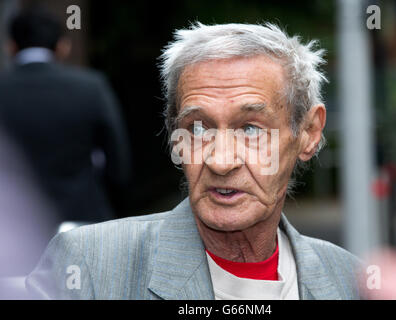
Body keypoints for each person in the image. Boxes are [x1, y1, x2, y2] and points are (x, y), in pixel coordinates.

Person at [26, 22, 362, 300]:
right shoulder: (88, 265)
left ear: (308, 132)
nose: (220, 160)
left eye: (250, 129)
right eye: (198, 128)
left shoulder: (351, 282)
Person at [0, 7, 131, 227]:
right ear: (62, 47)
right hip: (81, 217)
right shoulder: (91, 86)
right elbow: (118, 165)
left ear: (11, 46)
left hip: (12, 226)